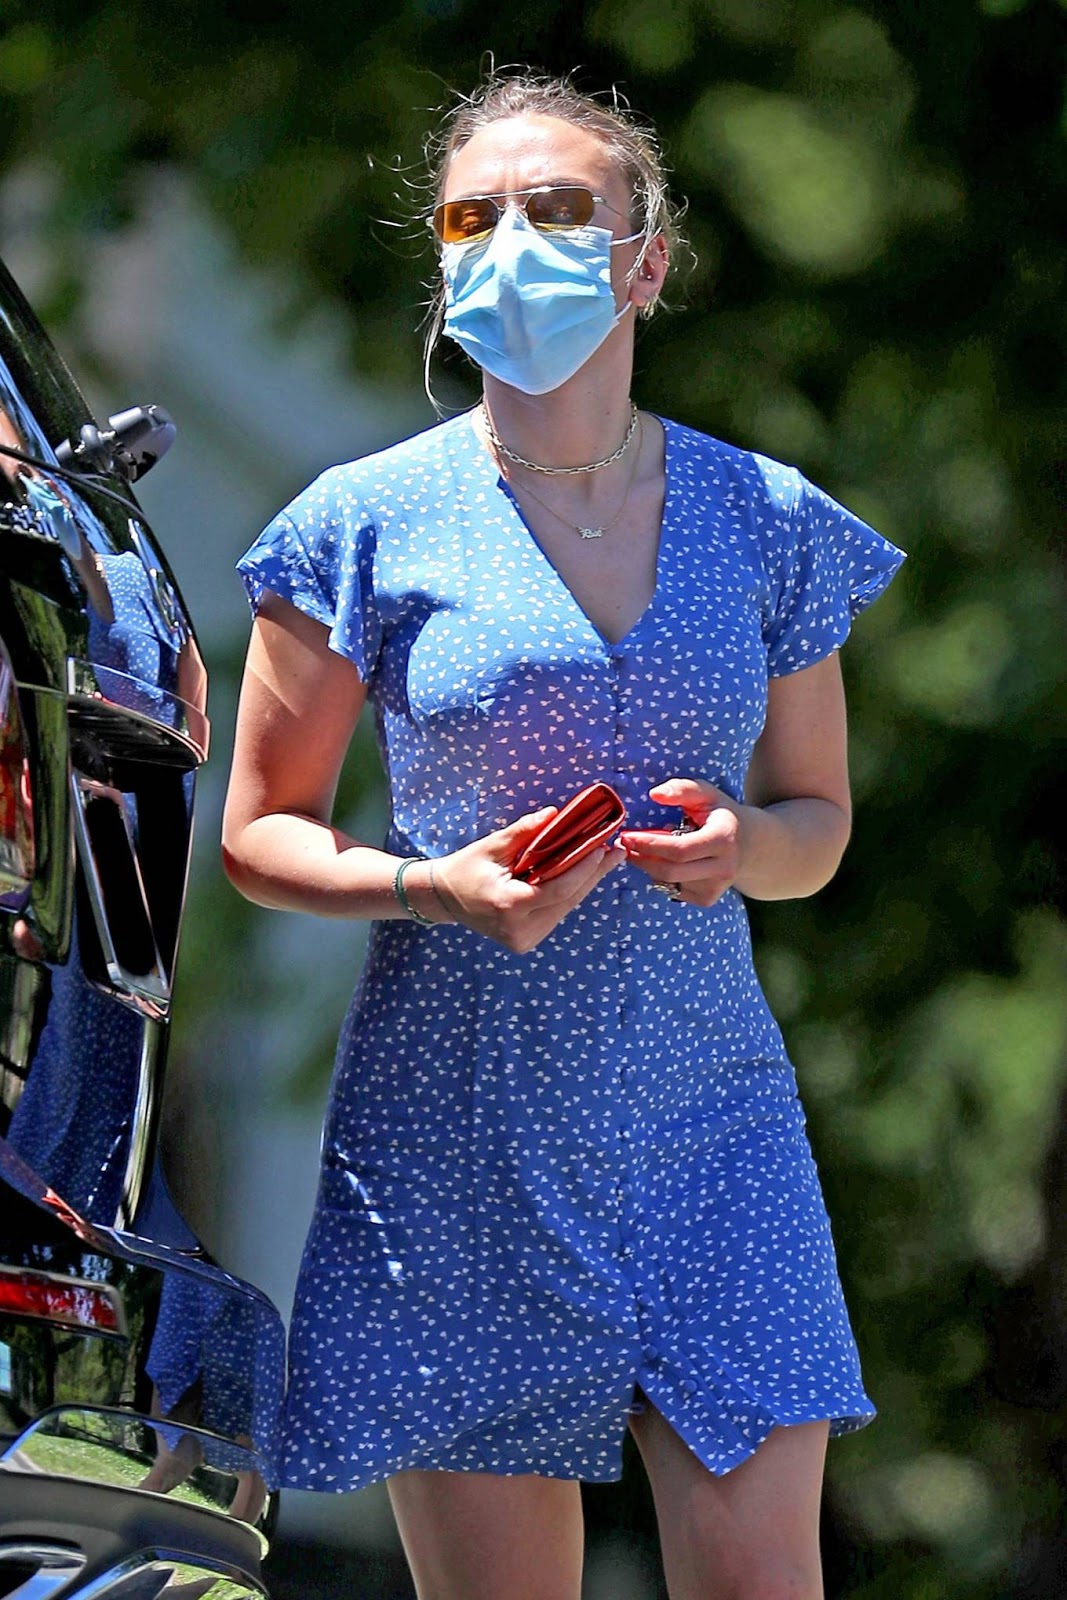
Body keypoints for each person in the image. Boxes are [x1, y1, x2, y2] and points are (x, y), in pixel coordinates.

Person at [223, 71, 905, 1600]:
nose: (514, 239)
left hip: (710, 1121)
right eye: (478, 214)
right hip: (457, 1134)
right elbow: (262, 830)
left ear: (646, 259)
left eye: (560, 208)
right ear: (443, 256)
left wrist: (744, 844)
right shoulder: (360, 522)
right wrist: (431, 885)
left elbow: (818, 822)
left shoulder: (768, 515)